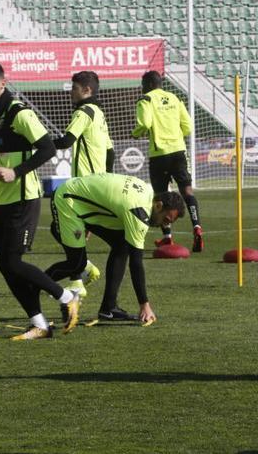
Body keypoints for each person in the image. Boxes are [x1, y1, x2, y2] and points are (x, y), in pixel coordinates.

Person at [0, 61, 80, 341]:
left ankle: (66, 296)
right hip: (0, 201)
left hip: (25, 198)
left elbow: (48, 147)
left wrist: (16, 172)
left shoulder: (19, 113)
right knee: (5, 264)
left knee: (12, 262)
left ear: (3, 83)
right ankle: (40, 324)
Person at [46, 173, 185, 323]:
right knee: (76, 264)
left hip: (82, 199)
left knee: (122, 245)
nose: (165, 225)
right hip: (68, 200)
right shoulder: (139, 213)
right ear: (158, 206)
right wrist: (144, 305)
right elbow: (136, 263)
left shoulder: (148, 192)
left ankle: (108, 308)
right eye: (166, 219)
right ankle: (30, 284)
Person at [51, 71, 112, 297]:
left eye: (74, 87)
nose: (71, 91)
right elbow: (110, 152)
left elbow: (67, 140)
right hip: (99, 184)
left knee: (60, 228)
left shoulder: (84, 111)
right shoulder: (99, 113)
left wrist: (38, 143)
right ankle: (82, 272)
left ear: (87, 90)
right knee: (74, 231)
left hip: (83, 186)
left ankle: (79, 275)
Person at [133, 70, 203, 252]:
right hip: (179, 150)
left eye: (142, 85)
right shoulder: (174, 98)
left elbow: (144, 124)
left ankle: (167, 238)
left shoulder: (146, 100)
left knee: (161, 196)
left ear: (148, 85)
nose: (142, 89)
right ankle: (197, 227)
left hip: (159, 154)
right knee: (187, 190)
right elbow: (188, 126)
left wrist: (136, 133)